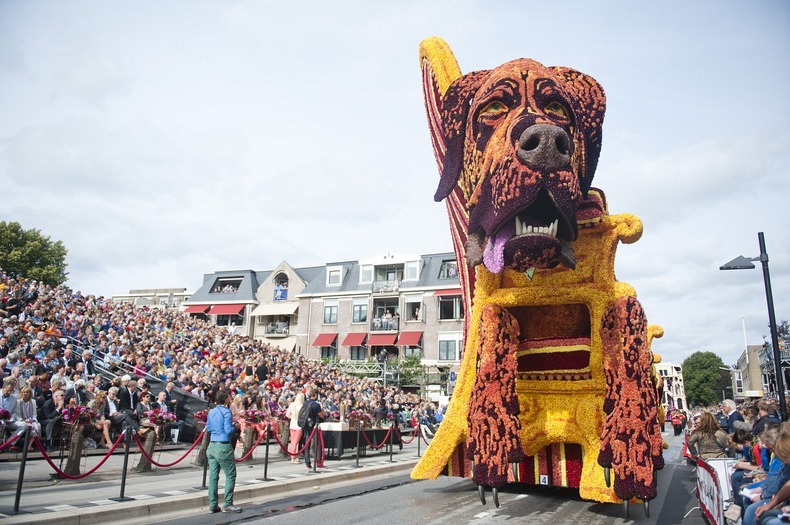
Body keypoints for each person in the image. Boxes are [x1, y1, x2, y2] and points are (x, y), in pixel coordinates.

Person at [206, 390, 242, 513]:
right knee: (231, 475)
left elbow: (209, 428)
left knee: (213, 476)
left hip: (212, 444)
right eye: (228, 396)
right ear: (225, 399)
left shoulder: (211, 412)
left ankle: (213, 504)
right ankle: (227, 503)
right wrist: (235, 427)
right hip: (223, 445)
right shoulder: (226, 412)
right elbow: (228, 430)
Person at [301, 388, 325, 469]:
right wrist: (322, 408)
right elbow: (322, 415)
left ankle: (307, 462)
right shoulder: (316, 405)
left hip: (306, 425)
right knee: (318, 443)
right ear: (315, 395)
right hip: (314, 426)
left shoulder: (305, 403)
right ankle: (318, 461)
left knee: (307, 444)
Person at [285, 391, 304, 464]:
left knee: (293, 442)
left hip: (292, 424)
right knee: (295, 442)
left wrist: (292, 417)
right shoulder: (302, 405)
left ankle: (293, 456)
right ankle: (293, 458)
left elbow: (287, 415)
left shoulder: (292, 404)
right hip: (298, 426)